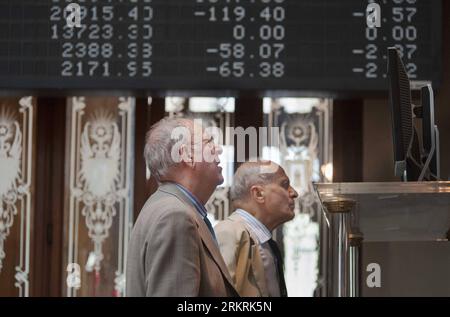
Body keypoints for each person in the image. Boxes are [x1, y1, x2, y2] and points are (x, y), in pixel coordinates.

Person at [126, 117, 237, 297]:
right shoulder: (175, 215)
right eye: (209, 142)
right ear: (187, 155)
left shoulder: (167, 206)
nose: (218, 149)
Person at [215, 161, 298, 297]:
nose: (294, 193)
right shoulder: (228, 233)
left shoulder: (266, 241)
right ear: (258, 193)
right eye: (284, 185)